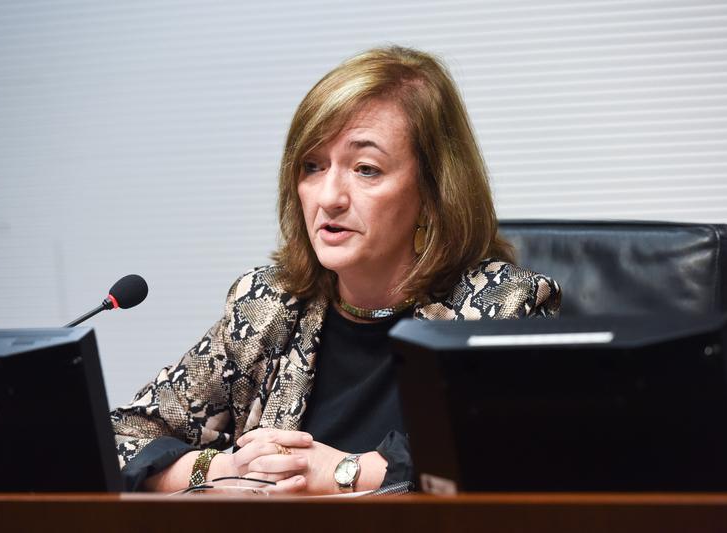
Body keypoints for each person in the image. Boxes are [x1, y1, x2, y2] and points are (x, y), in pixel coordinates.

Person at [111, 45, 561, 494]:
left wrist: (342, 471)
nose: (329, 197)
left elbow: (520, 455)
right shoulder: (268, 308)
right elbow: (116, 439)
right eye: (312, 166)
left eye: (366, 169)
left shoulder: (501, 308)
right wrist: (219, 470)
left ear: (432, 191)